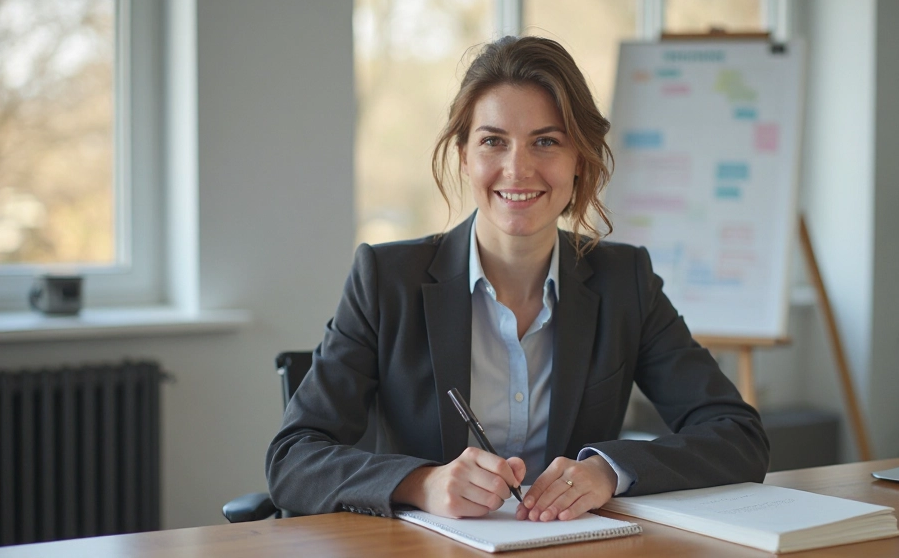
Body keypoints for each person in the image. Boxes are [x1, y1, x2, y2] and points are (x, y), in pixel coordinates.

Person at [266, 35, 769, 522]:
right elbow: (293, 458)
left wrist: (609, 471)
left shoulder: (625, 282)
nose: (518, 169)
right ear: (464, 157)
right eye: (493, 141)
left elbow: (738, 435)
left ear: (579, 160)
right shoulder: (386, 280)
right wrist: (422, 483)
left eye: (545, 142)